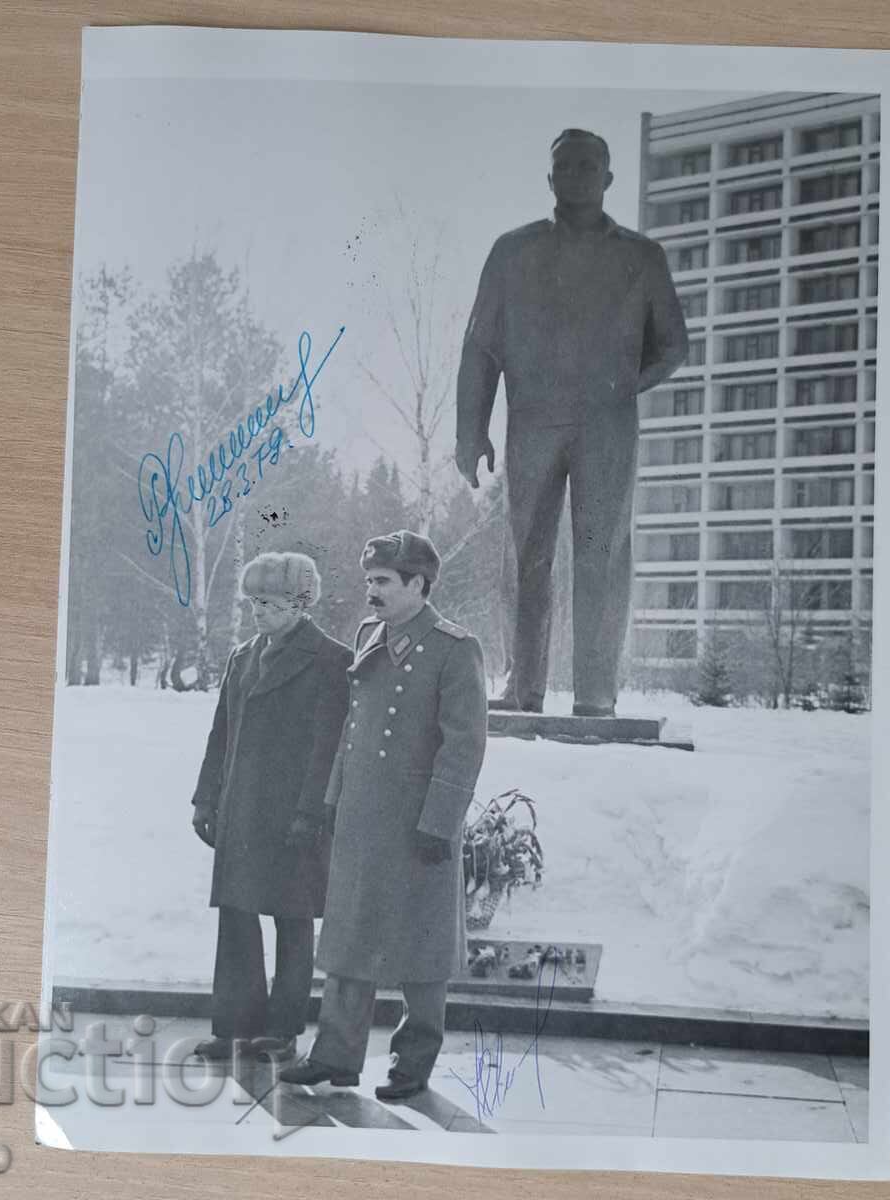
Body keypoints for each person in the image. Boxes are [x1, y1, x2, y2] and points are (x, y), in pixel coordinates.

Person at [456, 127, 690, 717]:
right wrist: (470, 429)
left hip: (606, 428)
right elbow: (480, 347)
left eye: (590, 166)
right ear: (550, 176)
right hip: (532, 422)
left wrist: (621, 385)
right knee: (525, 552)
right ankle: (522, 686)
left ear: (608, 178)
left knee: (601, 554)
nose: (577, 174)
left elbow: (673, 346)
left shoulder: (641, 257)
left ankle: (595, 694)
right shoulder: (513, 252)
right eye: (566, 165)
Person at [277, 530, 488, 1101]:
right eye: (369, 580)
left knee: (423, 949)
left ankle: (412, 1064)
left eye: (384, 582)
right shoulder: (369, 633)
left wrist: (439, 822)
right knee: (349, 936)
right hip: (361, 816)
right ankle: (336, 1057)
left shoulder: (454, 647)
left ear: (418, 585)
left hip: (419, 825)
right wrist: (331, 800)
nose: (372, 592)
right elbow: (354, 726)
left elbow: (463, 744)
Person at [190, 552, 352, 1063]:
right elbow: (221, 736)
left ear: (301, 604)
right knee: (235, 917)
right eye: (254, 602)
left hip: (294, 819)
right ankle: (234, 1028)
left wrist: (312, 813)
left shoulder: (330, 660)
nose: (259, 612)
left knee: (292, 920)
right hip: (240, 811)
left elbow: (329, 745)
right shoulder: (243, 657)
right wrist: (204, 799)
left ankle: (281, 1033)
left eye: (271, 603)